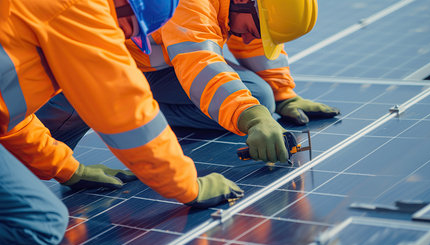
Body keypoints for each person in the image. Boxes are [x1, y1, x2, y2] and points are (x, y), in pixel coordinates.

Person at [0, 0, 242, 245]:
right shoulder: (80, 8)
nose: (127, 36)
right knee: (38, 223)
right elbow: (126, 111)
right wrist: (189, 186)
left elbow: (10, 114)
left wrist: (66, 167)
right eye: (133, 28)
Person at [37, 0, 340, 166]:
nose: (249, 37)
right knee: (37, 146)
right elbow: (200, 63)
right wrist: (253, 117)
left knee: (259, 94)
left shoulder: (246, 10)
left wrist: (284, 95)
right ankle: (115, 109)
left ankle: (140, 106)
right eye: (254, 28)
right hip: (96, 62)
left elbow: (255, 44)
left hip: (155, 68)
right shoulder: (191, 5)